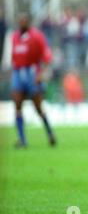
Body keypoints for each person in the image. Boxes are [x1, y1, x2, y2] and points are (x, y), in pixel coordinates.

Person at [10, 12, 56, 148]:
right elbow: (14, 57)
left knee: (38, 108)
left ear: (28, 22)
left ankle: (49, 133)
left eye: (24, 21)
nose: (21, 24)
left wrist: (41, 74)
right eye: (20, 21)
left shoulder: (37, 36)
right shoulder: (15, 37)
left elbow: (47, 57)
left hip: (32, 73)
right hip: (18, 73)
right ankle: (22, 140)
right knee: (17, 105)